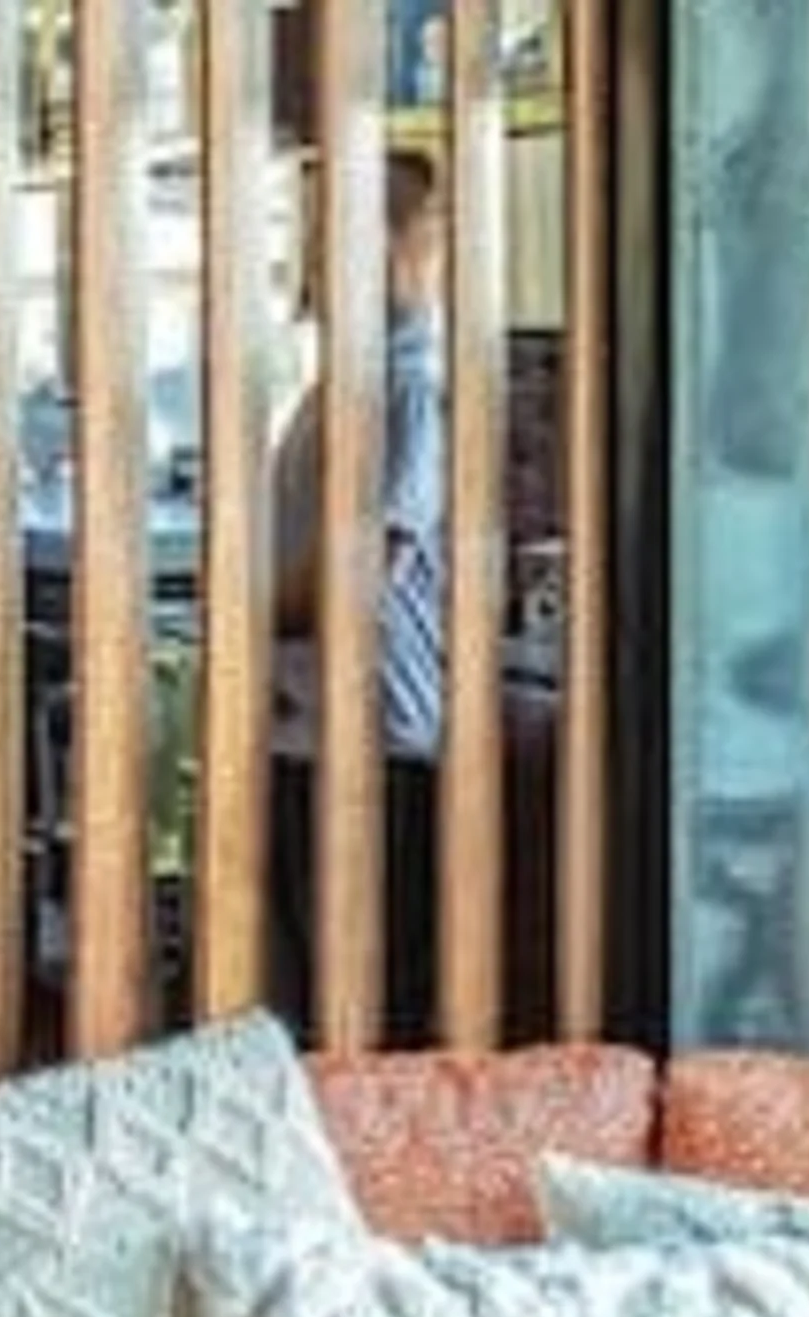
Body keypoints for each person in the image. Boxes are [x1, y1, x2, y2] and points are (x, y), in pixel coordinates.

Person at [266, 149, 450, 1020]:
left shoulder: (412, 392)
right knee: (319, 1001)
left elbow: (362, 571)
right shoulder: (336, 392)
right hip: (315, 730)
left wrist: (245, 621)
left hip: (383, 739)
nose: (312, 261)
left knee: (368, 1010)